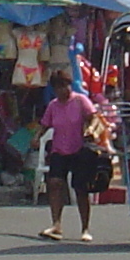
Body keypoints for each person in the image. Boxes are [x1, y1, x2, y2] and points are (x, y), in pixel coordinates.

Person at [35, 70, 102, 243]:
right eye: (59, 87)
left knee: (80, 189)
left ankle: (85, 228)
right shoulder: (53, 106)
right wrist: (36, 138)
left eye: (65, 85)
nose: (63, 90)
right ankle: (56, 224)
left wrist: (91, 129)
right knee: (55, 183)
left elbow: (94, 117)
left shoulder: (80, 101)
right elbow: (44, 125)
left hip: (79, 150)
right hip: (59, 150)